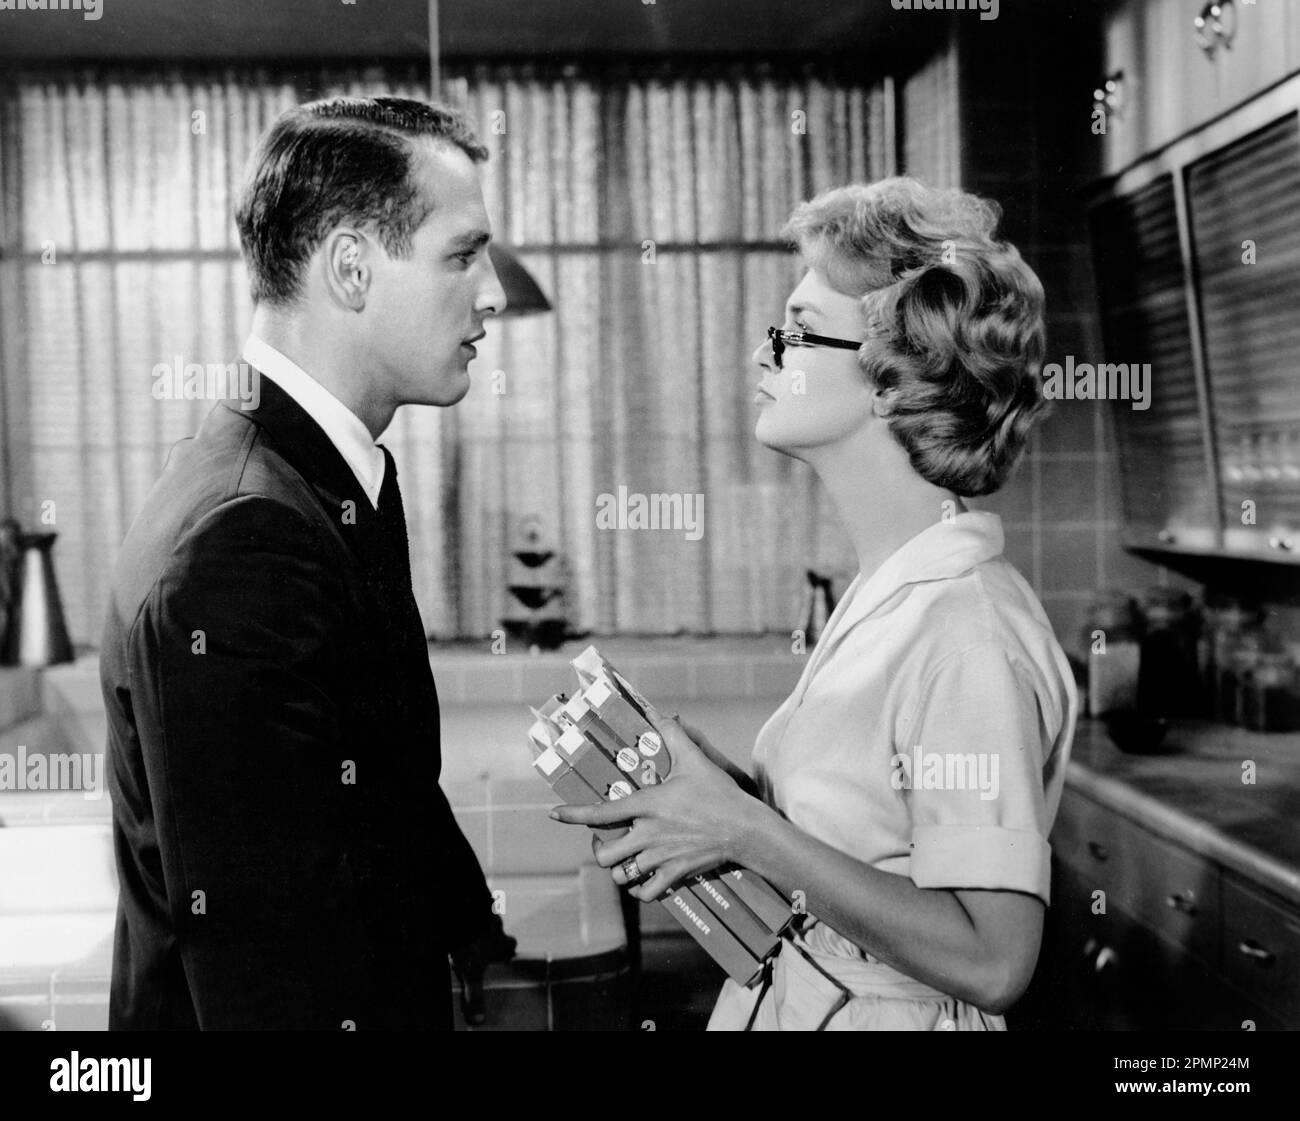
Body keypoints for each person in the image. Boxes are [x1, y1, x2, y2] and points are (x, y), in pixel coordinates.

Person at [554, 178, 1078, 1031]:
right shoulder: (888, 589)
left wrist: (741, 830)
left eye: (795, 331)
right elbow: (870, 839)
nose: (764, 356)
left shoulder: (965, 633)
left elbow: (994, 958)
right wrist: (724, 799)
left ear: (889, 376)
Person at [101, 96, 514, 1030]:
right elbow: (266, 969)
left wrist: (469, 932)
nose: (491, 291)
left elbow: (381, 777)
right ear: (352, 267)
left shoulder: (322, 478)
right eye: (462, 253)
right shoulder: (243, 535)